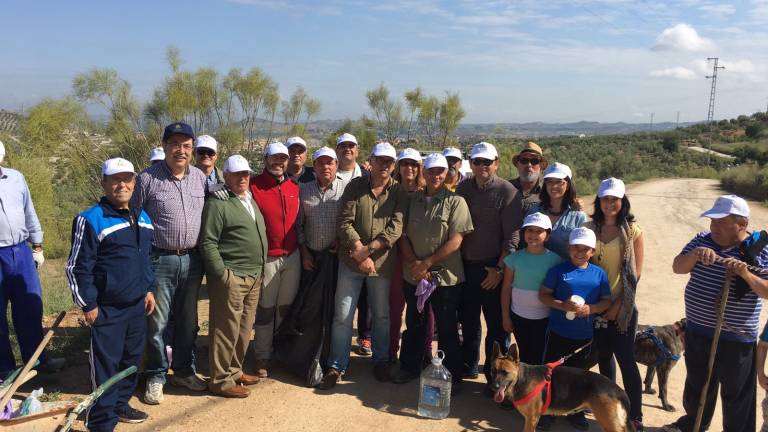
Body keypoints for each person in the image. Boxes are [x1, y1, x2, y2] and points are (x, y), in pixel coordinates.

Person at [663, 195, 768, 432]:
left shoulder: (762, 249)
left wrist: (746, 275)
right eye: (713, 221)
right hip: (698, 331)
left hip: (737, 337)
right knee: (698, 386)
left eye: (721, 223)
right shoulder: (702, 240)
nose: (714, 227)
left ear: (742, 224)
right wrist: (695, 255)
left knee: (736, 395)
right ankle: (694, 425)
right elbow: (677, 267)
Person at [66, 158, 156, 430]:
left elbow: (146, 259)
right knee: (106, 366)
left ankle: (120, 406)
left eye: (127, 179)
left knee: (130, 362)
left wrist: (148, 288)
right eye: (115, 179)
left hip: (136, 306)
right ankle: (101, 421)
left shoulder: (141, 216)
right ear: (103, 183)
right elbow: (77, 267)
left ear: (134, 183)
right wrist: (88, 304)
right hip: (107, 309)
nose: (122, 185)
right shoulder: (90, 218)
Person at [319, 142, 406, 389]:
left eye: (389, 161)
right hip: (350, 262)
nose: (385, 165)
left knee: (381, 315)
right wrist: (359, 251)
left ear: (393, 165)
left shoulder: (398, 192)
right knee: (343, 316)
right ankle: (337, 365)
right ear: (372, 160)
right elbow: (344, 222)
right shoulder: (355, 187)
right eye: (380, 160)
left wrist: (368, 251)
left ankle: (380, 361)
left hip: (381, 264)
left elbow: (395, 228)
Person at [132, 122, 208, 404]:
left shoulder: (199, 178)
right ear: (164, 146)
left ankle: (185, 372)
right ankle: (155, 375)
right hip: (159, 258)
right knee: (157, 322)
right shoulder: (147, 179)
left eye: (187, 146)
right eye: (175, 144)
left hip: (191, 259)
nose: (181, 150)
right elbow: (134, 223)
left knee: (188, 322)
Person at [392, 153, 473, 392]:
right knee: (415, 322)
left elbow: (456, 240)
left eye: (441, 171)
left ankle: (451, 376)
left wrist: (426, 263)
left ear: (447, 173)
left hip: (444, 278)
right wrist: (415, 264)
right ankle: (409, 367)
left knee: (447, 328)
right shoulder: (413, 201)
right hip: (414, 276)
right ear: (423, 173)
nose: (436, 175)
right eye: (431, 171)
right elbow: (403, 236)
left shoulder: (456, 202)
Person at [199, 155, 267, 398]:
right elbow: (208, 242)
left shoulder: (249, 198)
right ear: (225, 176)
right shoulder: (218, 203)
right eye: (237, 174)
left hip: (253, 275)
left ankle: (235, 371)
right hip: (232, 277)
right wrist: (222, 274)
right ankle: (220, 381)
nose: (243, 178)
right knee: (225, 329)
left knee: (243, 328)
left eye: (246, 173)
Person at [276, 147, 345, 385]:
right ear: (313, 167)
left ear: (336, 165)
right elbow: (298, 227)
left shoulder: (346, 190)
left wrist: (341, 240)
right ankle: (302, 356)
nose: (325, 167)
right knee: (308, 311)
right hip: (311, 260)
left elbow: (349, 222)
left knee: (334, 311)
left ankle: (331, 360)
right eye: (320, 163)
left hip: (336, 260)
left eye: (330, 163)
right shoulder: (303, 190)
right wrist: (305, 252)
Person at [456, 141, 523, 384]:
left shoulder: (507, 192)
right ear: (470, 163)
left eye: (487, 161)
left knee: (496, 327)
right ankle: (469, 365)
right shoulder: (463, 189)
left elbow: (512, 237)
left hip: (494, 267)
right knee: (469, 320)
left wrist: (499, 269)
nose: (482, 166)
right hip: (466, 265)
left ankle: (495, 377)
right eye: (477, 161)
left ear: (496, 163)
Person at [584, 178, 644, 430]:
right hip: (596, 306)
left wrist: (618, 305)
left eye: (614, 199)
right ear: (598, 201)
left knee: (626, 359)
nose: (610, 203)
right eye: (605, 199)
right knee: (604, 357)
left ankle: (635, 415)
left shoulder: (633, 231)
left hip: (623, 308)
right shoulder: (588, 228)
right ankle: (611, 406)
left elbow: (635, 274)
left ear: (622, 201)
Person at [0, 140, 65, 376]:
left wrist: (37, 245)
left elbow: (29, 210)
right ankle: (5, 372)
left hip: (20, 252)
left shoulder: (15, 178)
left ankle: (37, 363)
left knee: (30, 308)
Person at [538, 227, 612, 431]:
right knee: (553, 374)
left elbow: (607, 301)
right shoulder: (558, 271)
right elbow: (543, 295)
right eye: (576, 247)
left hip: (584, 337)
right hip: (557, 333)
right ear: (569, 248)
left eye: (585, 248)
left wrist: (592, 308)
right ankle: (547, 410)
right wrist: (562, 305)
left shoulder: (599, 274)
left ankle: (575, 411)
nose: (580, 252)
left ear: (592, 251)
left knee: (579, 375)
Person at [250, 142, 301, 378]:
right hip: (267, 257)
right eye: (274, 158)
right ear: (266, 159)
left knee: (285, 309)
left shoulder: (294, 186)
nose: (278, 162)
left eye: (282, 158)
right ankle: (262, 354)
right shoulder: (254, 186)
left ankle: (280, 352)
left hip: (292, 256)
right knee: (265, 309)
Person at [389, 148, 433, 362]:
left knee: (424, 308)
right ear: (398, 167)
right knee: (394, 307)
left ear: (420, 168)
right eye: (405, 164)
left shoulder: (425, 193)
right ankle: (390, 352)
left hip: (420, 258)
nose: (410, 168)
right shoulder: (391, 190)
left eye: (414, 164)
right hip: (393, 258)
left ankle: (424, 353)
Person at [500, 212, 561, 365]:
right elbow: (506, 288)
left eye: (539, 231)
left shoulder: (555, 260)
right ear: (523, 234)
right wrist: (506, 316)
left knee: (540, 357)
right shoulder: (514, 259)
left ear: (547, 236)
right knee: (525, 355)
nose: (533, 234)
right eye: (529, 230)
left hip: (544, 318)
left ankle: (540, 388)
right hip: (519, 316)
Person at [334, 132, 372, 356]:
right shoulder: (329, 173)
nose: (347, 149)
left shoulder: (368, 175)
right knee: (341, 302)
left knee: (367, 298)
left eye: (351, 146)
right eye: (343, 146)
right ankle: (338, 346)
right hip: (339, 248)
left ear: (357, 150)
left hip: (367, 250)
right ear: (337, 150)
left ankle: (365, 337)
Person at [528, 162, 587, 260]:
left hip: (566, 272)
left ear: (568, 185)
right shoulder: (534, 211)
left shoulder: (578, 217)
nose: (554, 186)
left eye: (559, 182)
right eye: (550, 181)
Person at [510, 142, 547, 215]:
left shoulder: (549, 191)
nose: (529, 165)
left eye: (534, 161)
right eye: (524, 160)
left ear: (541, 166)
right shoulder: (506, 188)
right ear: (518, 164)